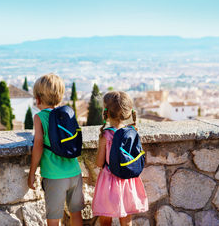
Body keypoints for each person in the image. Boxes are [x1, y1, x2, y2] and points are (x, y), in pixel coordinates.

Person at [28, 73, 84, 226]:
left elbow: (38, 145)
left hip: (54, 176)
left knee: (54, 218)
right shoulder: (68, 114)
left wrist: (32, 172)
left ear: (38, 99)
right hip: (74, 172)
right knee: (76, 213)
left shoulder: (40, 117)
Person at [92, 91, 148, 226]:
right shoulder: (132, 132)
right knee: (126, 218)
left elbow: (100, 163)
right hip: (128, 181)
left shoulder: (106, 135)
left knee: (106, 218)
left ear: (106, 112)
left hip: (109, 181)